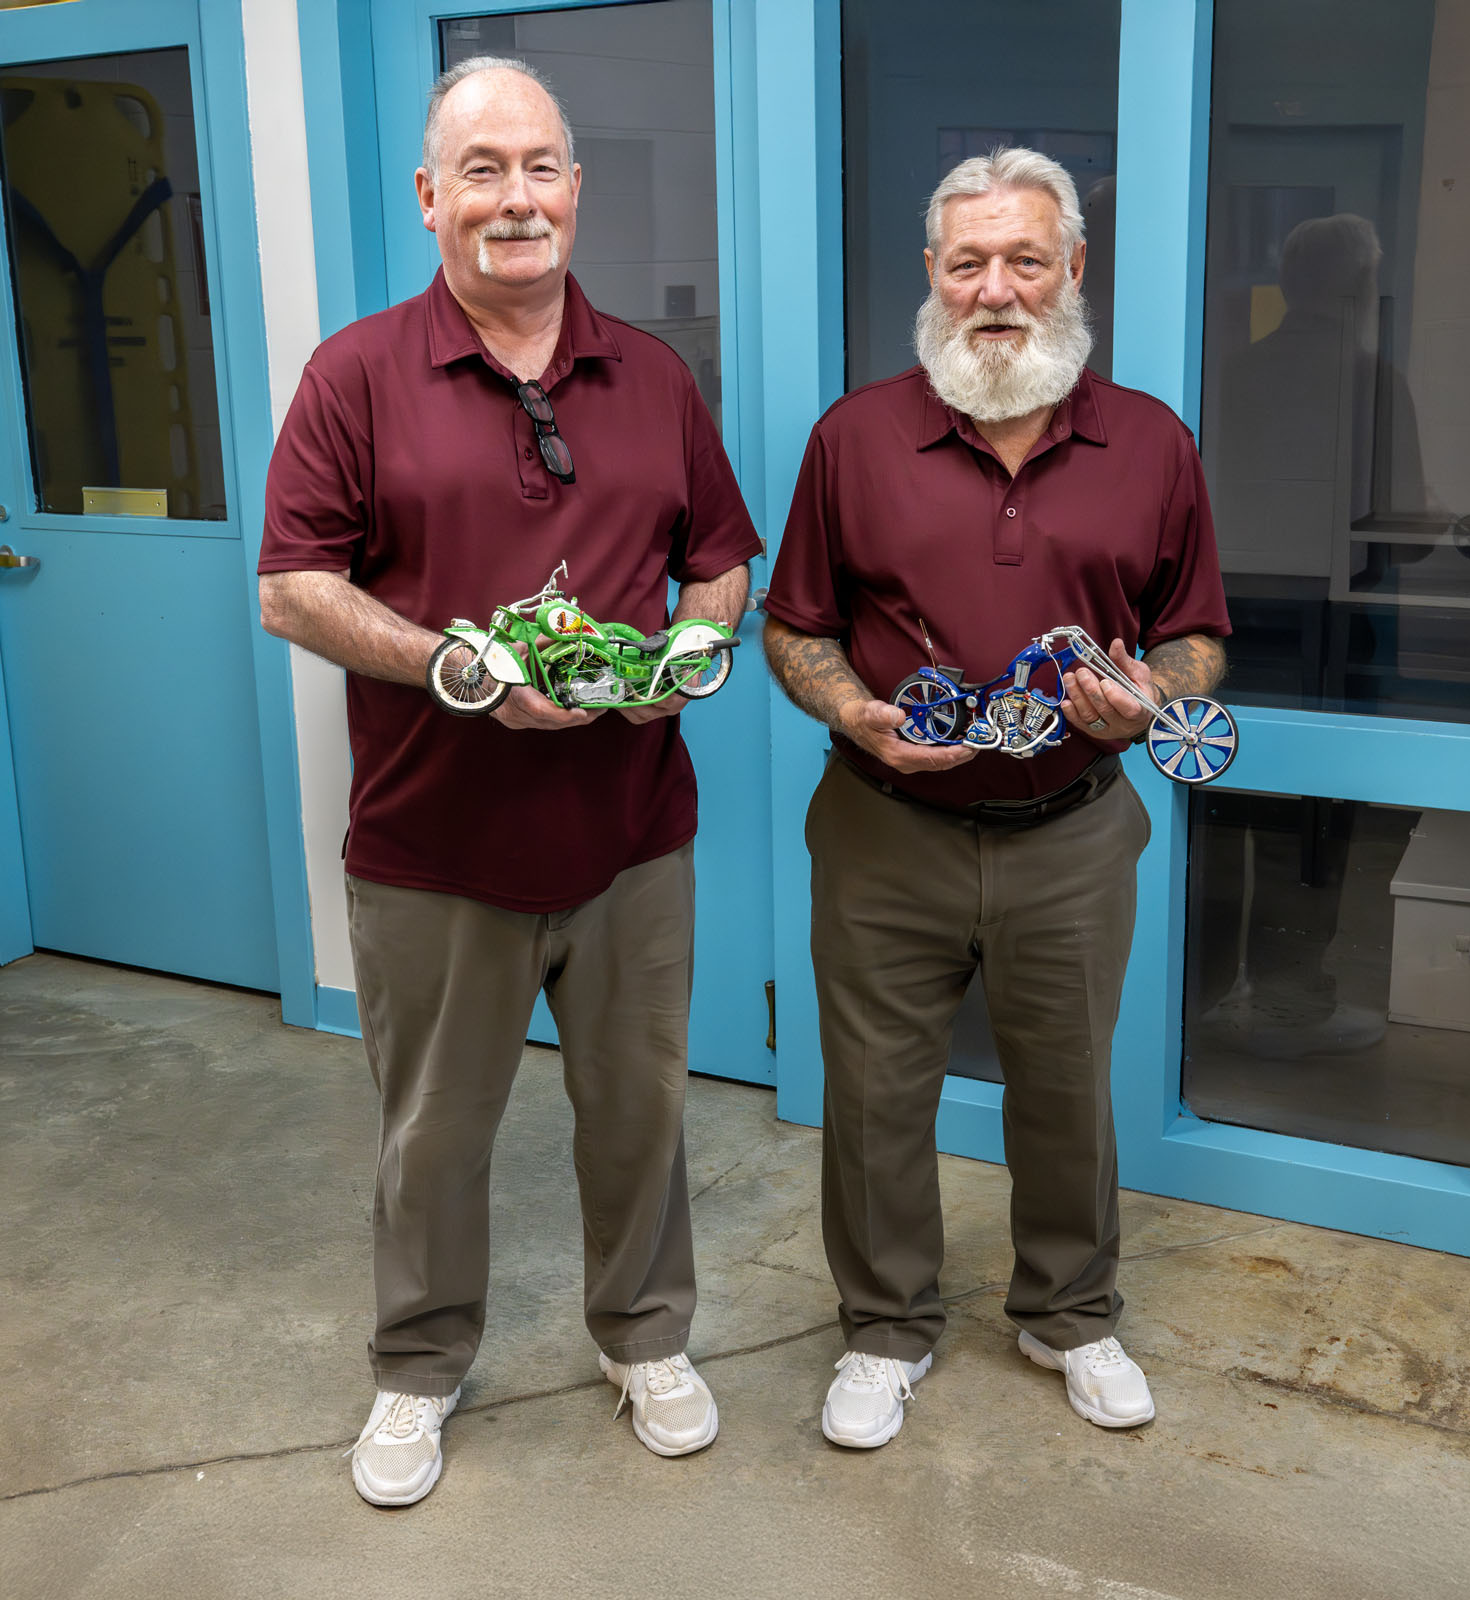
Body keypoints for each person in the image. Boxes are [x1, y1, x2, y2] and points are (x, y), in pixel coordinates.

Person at [258, 56, 759, 1505]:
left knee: (641, 1112)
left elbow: (721, 563)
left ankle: (646, 1338)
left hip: (631, 838)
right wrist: (459, 672)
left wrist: (687, 654)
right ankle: (418, 1369)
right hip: (431, 844)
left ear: (577, 190)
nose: (515, 197)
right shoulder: (358, 374)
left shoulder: (655, 376)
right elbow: (294, 588)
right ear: (430, 199)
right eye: (480, 170)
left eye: (539, 166)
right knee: (429, 1136)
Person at [763, 148, 1230, 1448]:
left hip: (1074, 830)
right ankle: (885, 1329)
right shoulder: (853, 437)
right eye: (967, 261)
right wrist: (848, 707)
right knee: (871, 1093)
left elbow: (1195, 636)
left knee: (1069, 1087)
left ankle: (1069, 1313)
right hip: (881, 827)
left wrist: (1149, 695)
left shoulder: (1150, 444)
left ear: (1075, 269)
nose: (996, 287)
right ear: (932, 275)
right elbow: (793, 628)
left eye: (1026, 258)